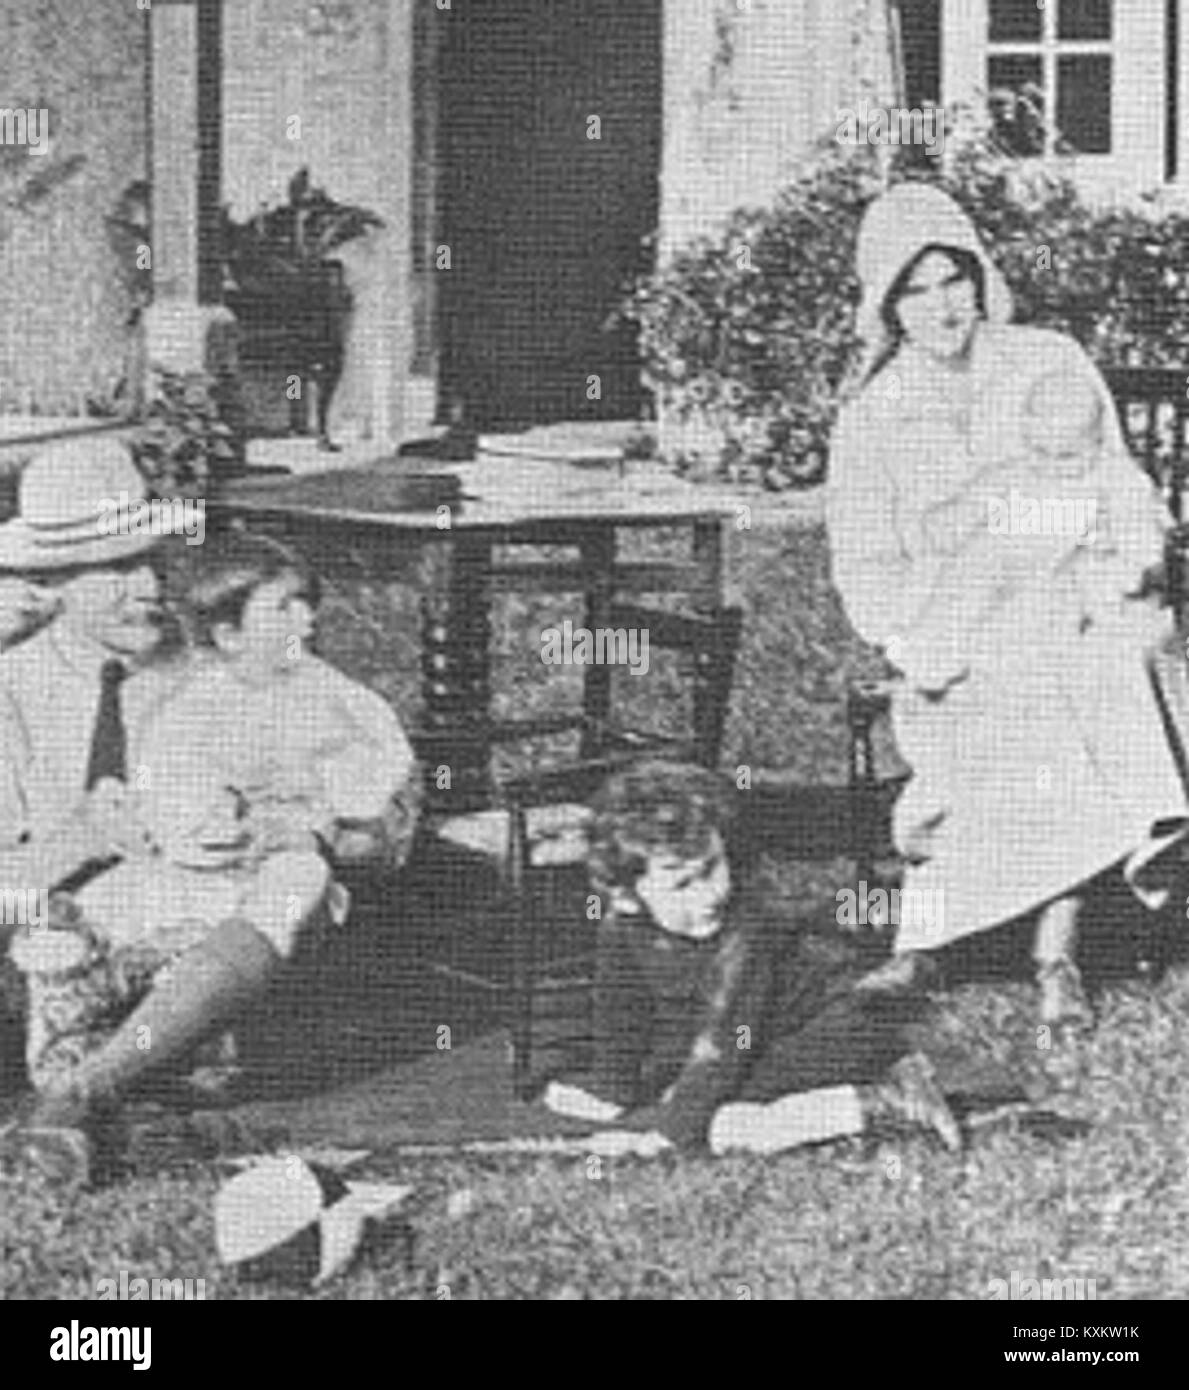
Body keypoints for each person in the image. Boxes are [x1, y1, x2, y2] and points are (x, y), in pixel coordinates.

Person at [0, 443, 411, 1189]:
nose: (149, 587)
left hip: (223, 939)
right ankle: (120, 1097)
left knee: (299, 879)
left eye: (154, 561)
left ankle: (79, 1099)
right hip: (71, 941)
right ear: (50, 582)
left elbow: (384, 827)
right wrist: (83, 837)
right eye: (115, 569)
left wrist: (308, 826)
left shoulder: (234, 666)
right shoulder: (11, 687)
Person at [826, 181, 1186, 1028]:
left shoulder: (1046, 359)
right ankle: (959, 940)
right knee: (1002, 690)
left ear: (980, 277)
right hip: (953, 622)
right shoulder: (873, 417)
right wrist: (912, 634)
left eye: (953, 279)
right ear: (886, 306)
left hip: (1076, 598)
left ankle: (1040, 951)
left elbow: (1122, 490)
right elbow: (865, 561)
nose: (941, 305)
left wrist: (1120, 564)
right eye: (913, 290)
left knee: (1074, 672)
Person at [543, 759, 964, 1156]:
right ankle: (888, 1080)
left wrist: (668, 1136)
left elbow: (725, 1038)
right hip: (765, 1035)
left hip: (839, 1024)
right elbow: (621, 1010)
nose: (708, 894)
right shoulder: (621, 927)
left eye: (711, 868)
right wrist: (613, 1090)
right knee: (711, 1100)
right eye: (683, 884)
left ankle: (882, 1100)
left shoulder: (748, 928)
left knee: (724, 1120)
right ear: (628, 897)